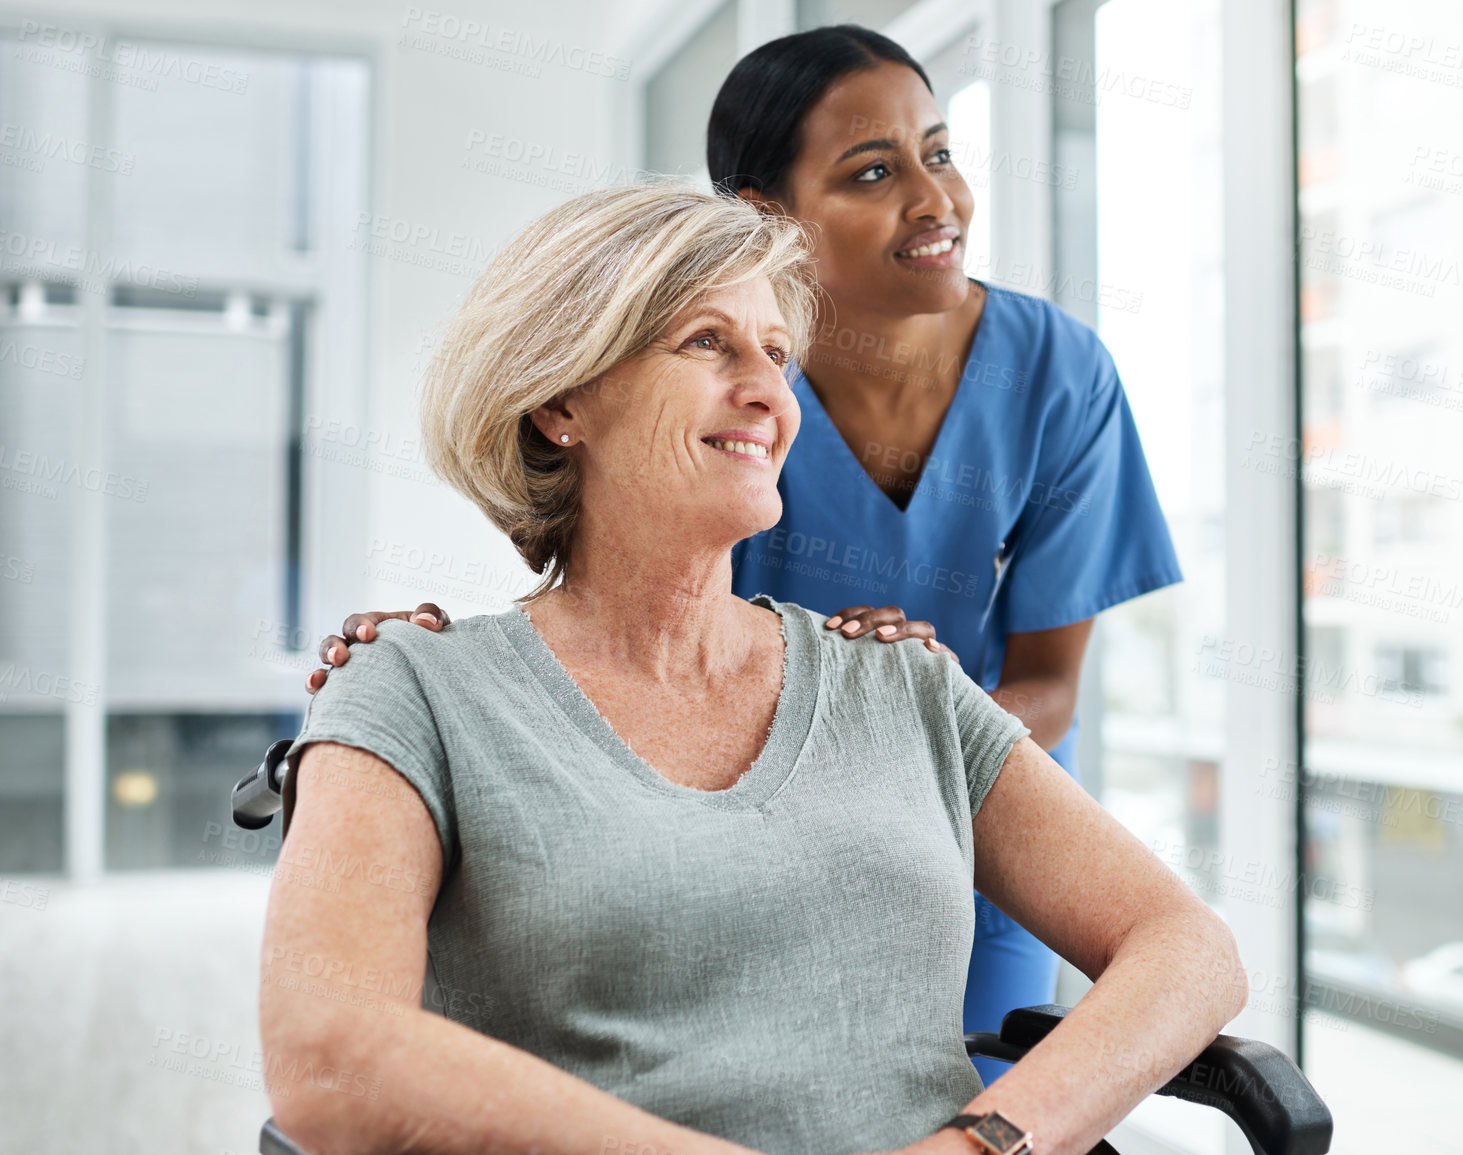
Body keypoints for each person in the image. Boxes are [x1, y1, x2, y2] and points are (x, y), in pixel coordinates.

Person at [259, 184, 1244, 1155]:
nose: (770, 392)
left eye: (777, 353)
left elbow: (1188, 948)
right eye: (705, 343)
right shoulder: (415, 688)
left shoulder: (899, 682)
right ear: (561, 401)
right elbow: (329, 1055)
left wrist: (989, 1141)